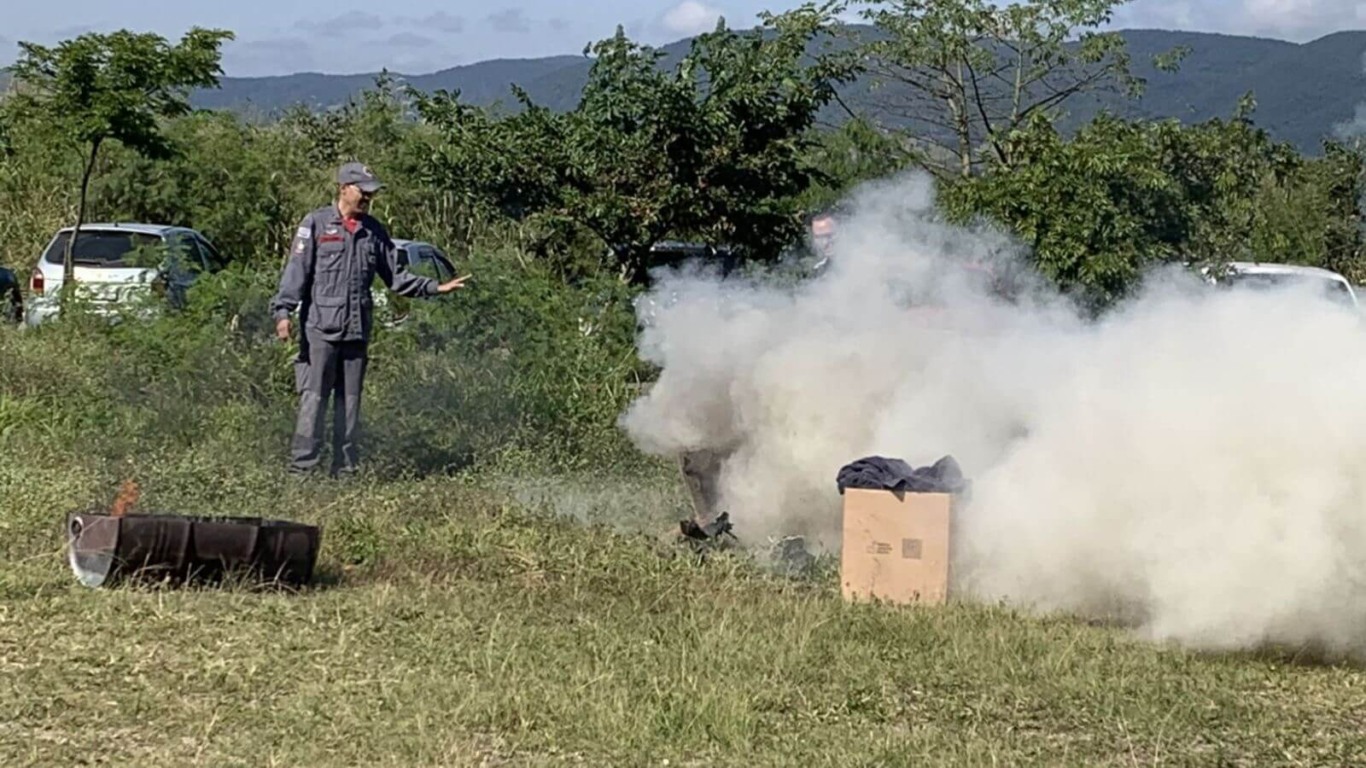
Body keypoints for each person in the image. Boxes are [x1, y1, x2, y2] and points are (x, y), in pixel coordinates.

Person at [270, 161, 468, 476]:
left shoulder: (374, 231)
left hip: (356, 331)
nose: (367, 199)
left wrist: (435, 287)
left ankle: (345, 472)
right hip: (320, 331)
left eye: (371, 194)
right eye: (363, 192)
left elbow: (396, 278)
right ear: (343, 188)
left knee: (349, 408)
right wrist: (283, 312)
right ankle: (302, 472)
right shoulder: (316, 224)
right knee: (314, 402)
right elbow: (296, 273)